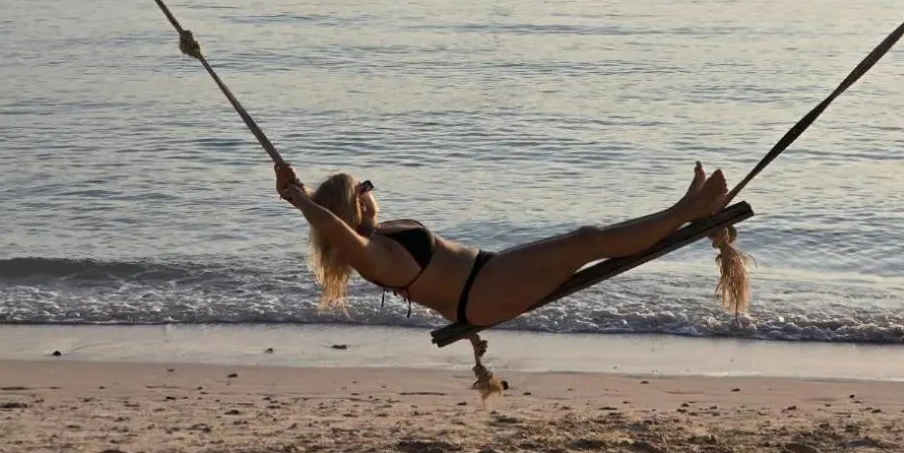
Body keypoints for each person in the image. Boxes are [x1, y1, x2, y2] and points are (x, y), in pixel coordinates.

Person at [275, 161, 729, 330]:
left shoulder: (377, 237)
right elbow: (332, 228)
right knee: (587, 240)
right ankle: (688, 208)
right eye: (364, 187)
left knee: (586, 239)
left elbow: (330, 221)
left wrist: (299, 192)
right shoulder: (369, 253)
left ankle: (687, 209)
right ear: (353, 205)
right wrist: (300, 201)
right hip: (481, 294)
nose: (372, 191)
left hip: (489, 273)